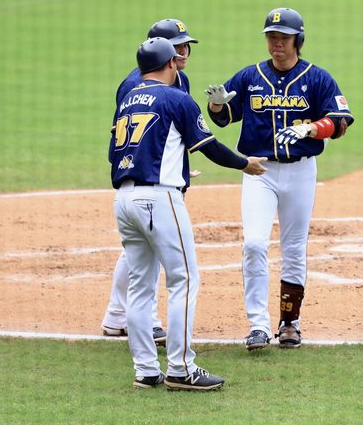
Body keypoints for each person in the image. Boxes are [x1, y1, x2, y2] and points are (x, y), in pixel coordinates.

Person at [111, 37, 267, 390]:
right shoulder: (176, 98)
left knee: (140, 286)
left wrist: (175, 165)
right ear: (169, 63)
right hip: (159, 199)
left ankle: (145, 370)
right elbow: (209, 146)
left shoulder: (128, 100)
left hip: (124, 199)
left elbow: (121, 153)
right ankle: (182, 369)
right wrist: (245, 164)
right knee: (183, 279)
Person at [205, 7, 354, 351]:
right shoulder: (250, 76)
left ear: (298, 40)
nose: (277, 44)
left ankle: (290, 323)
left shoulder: (317, 78)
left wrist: (311, 128)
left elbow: (341, 121)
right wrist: (216, 107)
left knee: (294, 247)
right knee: (254, 244)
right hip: (260, 172)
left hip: (301, 171)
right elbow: (225, 118)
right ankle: (258, 325)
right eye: (272, 37)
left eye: (284, 38)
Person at [102, 18, 199, 344]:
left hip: (160, 174)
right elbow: (126, 134)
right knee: (148, 253)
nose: (183, 52)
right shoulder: (134, 84)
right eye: (176, 46)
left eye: (185, 45)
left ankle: (116, 315)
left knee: (140, 251)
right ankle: (147, 321)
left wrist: (177, 167)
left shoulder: (179, 79)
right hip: (142, 177)